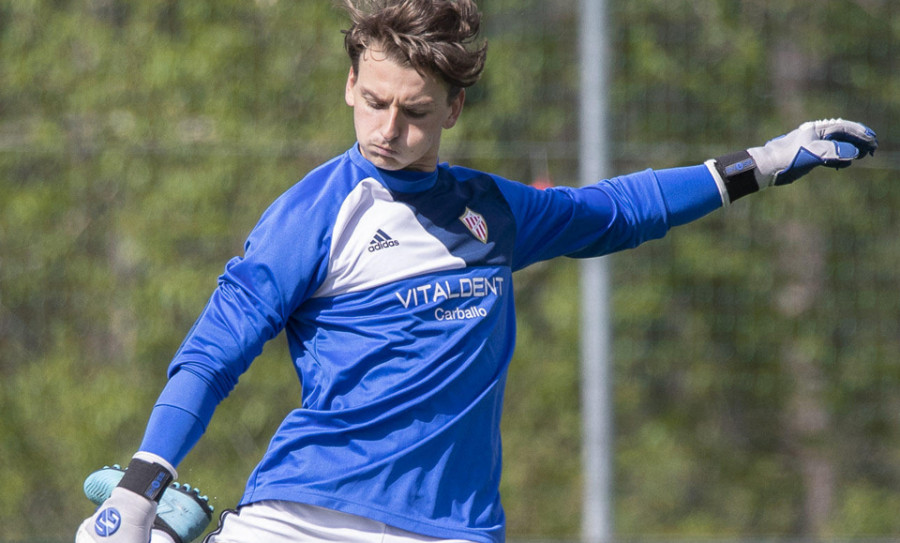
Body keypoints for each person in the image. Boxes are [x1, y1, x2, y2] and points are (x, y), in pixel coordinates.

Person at [76, 0, 878, 542]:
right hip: (307, 518)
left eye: (415, 111)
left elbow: (620, 209)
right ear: (351, 82)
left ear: (453, 109)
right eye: (375, 100)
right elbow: (214, 352)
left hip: (454, 527)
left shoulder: (490, 214)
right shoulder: (312, 212)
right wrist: (142, 483)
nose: (389, 127)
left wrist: (765, 163)